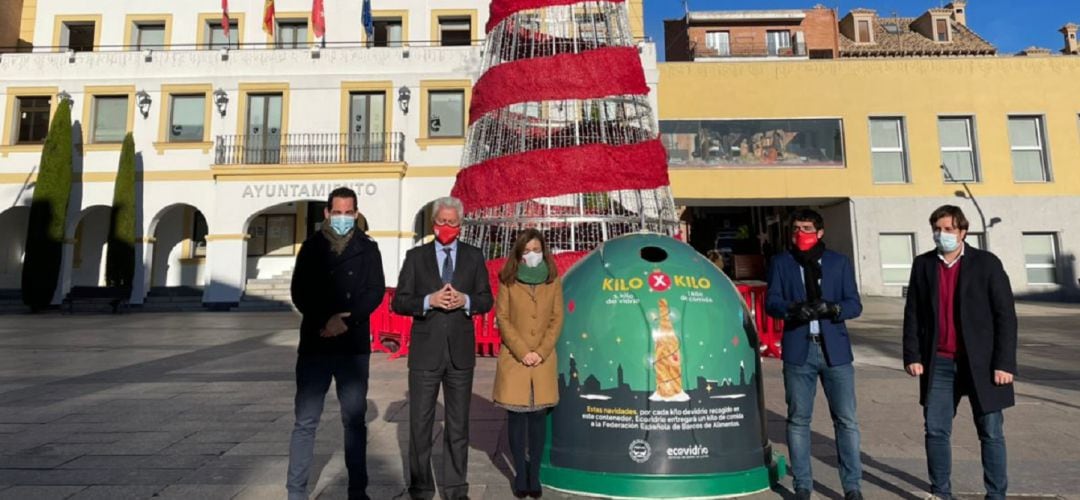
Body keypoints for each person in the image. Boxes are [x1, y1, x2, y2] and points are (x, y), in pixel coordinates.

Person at [903, 205, 1017, 500]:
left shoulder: (987, 263)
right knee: (936, 431)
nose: (942, 234)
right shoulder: (924, 265)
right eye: (938, 229)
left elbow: (1005, 315)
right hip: (939, 361)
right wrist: (912, 355)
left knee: (991, 432)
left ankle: (996, 495)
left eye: (949, 229)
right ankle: (941, 492)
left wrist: (1004, 363)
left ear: (963, 231)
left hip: (982, 363)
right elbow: (913, 313)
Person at [392, 196, 494, 500]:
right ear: (434, 223)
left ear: (460, 225)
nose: (447, 227)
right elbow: (399, 301)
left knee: (458, 425)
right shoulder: (415, 257)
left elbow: (487, 298)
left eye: (453, 222)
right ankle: (421, 488)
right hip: (425, 354)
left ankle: (455, 488)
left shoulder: (474, 257)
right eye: (441, 221)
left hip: (460, 354)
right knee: (420, 426)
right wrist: (428, 301)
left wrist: (467, 302)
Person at [287, 187, 386, 500]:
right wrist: (325, 321)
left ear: (355, 214)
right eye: (337, 212)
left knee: (354, 421)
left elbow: (375, 291)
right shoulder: (311, 247)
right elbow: (299, 292)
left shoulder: (368, 249)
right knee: (305, 421)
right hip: (316, 345)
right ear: (327, 213)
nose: (343, 218)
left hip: (352, 346)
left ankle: (357, 491)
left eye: (349, 212)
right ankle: (296, 491)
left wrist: (346, 320)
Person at [765, 208, 864, 500]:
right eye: (796, 228)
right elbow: (772, 301)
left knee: (846, 420)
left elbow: (854, 304)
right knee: (798, 420)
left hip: (835, 350)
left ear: (820, 232)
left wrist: (833, 309)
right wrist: (792, 309)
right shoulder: (781, 263)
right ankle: (803, 485)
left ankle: (852, 485)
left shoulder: (838, 263)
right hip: (800, 349)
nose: (801, 234)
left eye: (807, 228)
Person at [492, 229, 564, 499]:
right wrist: (523, 351)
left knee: (537, 418)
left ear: (543, 250)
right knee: (517, 417)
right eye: (527, 250)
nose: (532, 254)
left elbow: (557, 318)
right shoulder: (508, 280)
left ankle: (534, 474)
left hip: (542, 359)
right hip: (515, 357)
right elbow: (503, 318)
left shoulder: (552, 280)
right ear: (519, 253)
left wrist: (541, 351)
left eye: (536, 249)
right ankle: (520, 473)